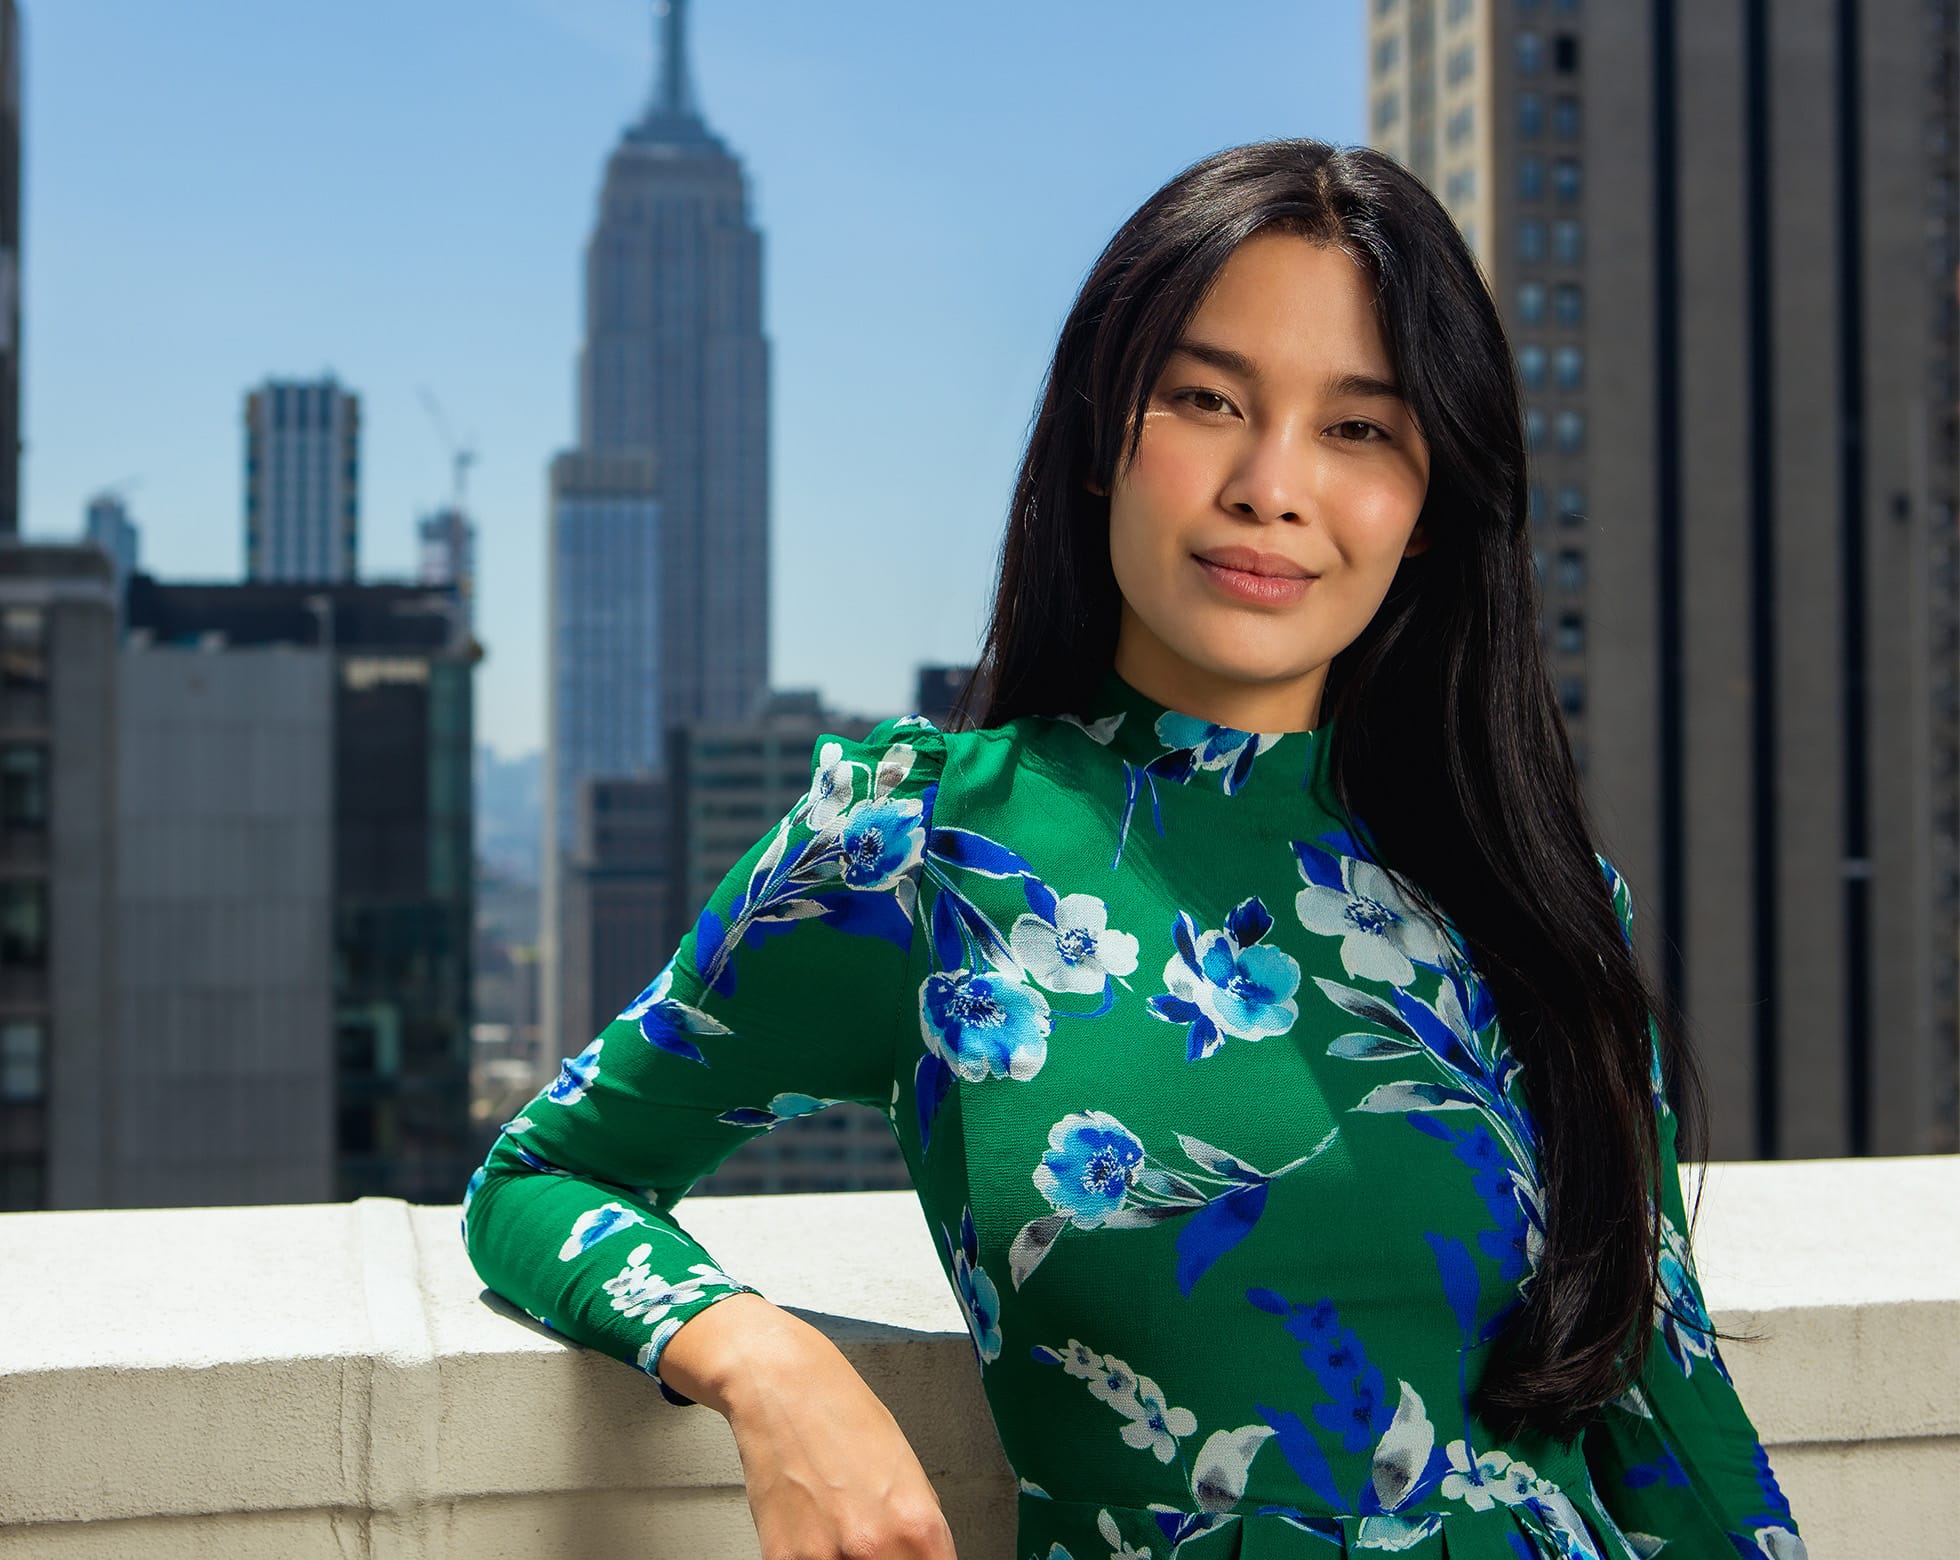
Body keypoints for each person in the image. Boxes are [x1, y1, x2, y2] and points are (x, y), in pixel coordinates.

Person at [462, 139, 1807, 1560]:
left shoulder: (1530, 895)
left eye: (1359, 429)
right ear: (1108, 435)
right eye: (1210, 400)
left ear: (1427, 508)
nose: (1270, 486)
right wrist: (762, 1363)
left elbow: (1669, 1410)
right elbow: (545, 1182)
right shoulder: (922, 851)